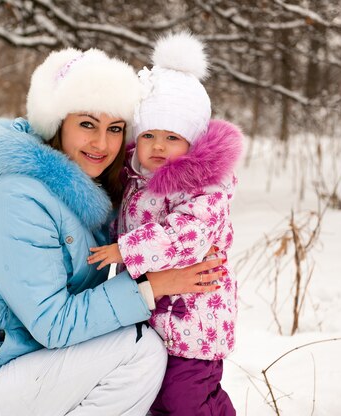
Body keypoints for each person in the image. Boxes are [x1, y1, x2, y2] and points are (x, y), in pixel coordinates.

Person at [0, 46, 226, 416]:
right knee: (139, 347)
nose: (102, 144)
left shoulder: (92, 195)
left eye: (115, 129)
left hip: (25, 368)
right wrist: (155, 286)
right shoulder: (18, 200)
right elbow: (54, 323)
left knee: (138, 345)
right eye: (87, 124)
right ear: (57, 123)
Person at [87, 33, 242, 415]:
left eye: (172, 137)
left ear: (193, 141)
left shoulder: (206, 186)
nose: (158, 146)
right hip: (151, 316)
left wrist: (127, 250)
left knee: (186, 400)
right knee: (153, 399)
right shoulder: (132, 178)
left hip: (195, 324)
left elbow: (188, 234)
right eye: (149, 135)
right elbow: (119, 217)